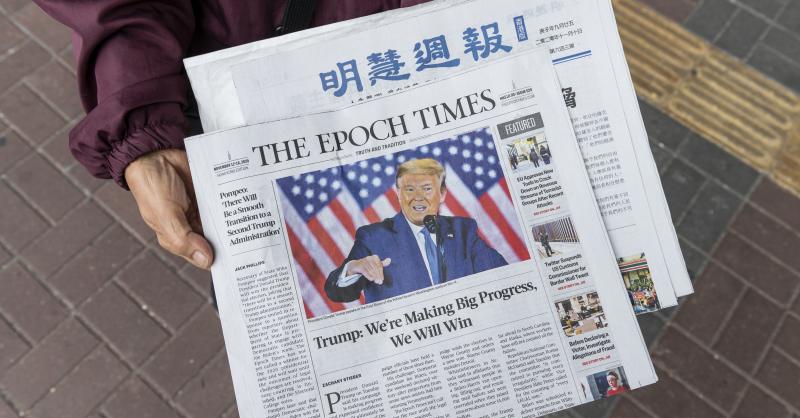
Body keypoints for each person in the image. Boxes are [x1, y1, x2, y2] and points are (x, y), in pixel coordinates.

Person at [33, 0, 427, 270]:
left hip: (459, 67)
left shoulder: (468, 230)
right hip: (257, 99)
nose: (416, 198)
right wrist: (141, 128)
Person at [324, 158, 507, 303]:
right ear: (398, 194)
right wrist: (353, 268)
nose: (418, 198)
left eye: (427, 189)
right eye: (409, 189)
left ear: (442, 194)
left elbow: (504, 277)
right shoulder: (374, 237)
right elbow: (336, 292)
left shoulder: (462, 230)